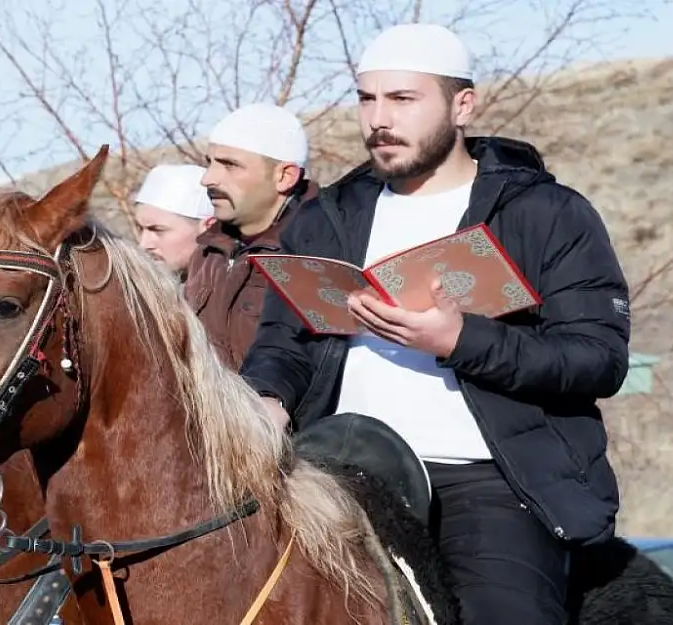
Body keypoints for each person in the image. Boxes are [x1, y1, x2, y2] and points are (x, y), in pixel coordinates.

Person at [239, 23, 630, 624]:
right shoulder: (328, 219)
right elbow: (284, 342)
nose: (378, 119)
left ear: (462, 104)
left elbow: (596, 358)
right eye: (368, 99)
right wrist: (268, 399)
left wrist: (460, 340)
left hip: (494, 485)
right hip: (338, 471)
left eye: (402, 99)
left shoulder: (546, 214)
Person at [183, 102, 318, 369]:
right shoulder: (208, 251)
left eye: (230, 165)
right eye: (209, 163)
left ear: (285, 176)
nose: (208, 179)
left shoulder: (318, 253)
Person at [132, 163, 215, 279]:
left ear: (209, 228)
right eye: (141, 229)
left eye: (158, 230)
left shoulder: (241, 291)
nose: (143, 245)